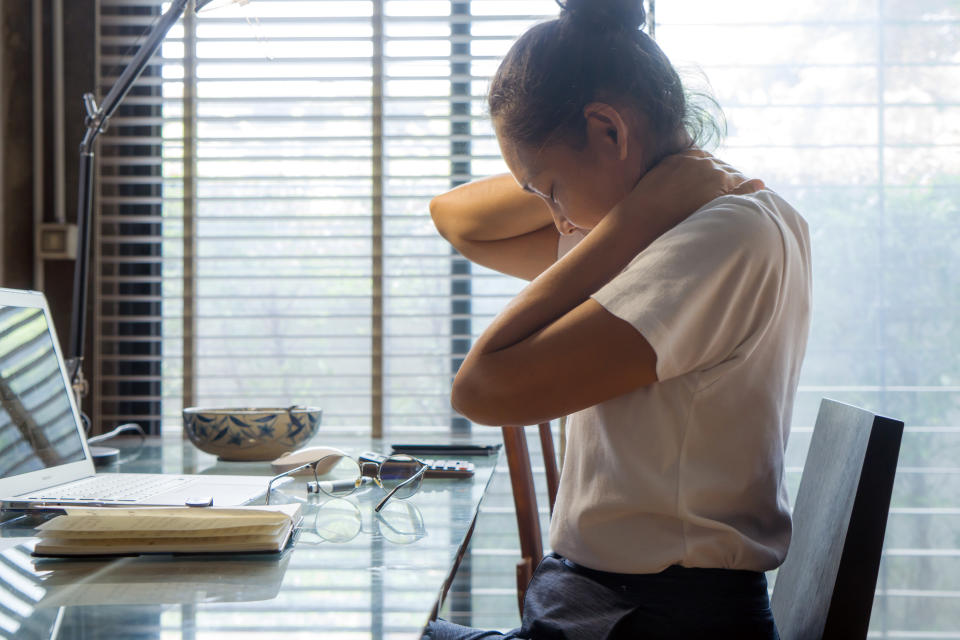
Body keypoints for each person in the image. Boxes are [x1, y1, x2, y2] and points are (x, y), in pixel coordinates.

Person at [424, 0, 811, 638]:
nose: (554, 218)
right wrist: (615, 202)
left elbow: (479, 389)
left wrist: (633, 218)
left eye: (548, 190)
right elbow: (455, 219)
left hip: (653, 620)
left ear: (609, 130)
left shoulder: (716, 238)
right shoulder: (669, 228)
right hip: (611, 609)